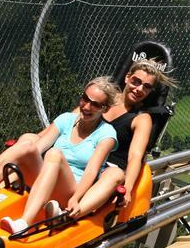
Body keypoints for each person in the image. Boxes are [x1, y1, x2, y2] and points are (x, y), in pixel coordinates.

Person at [0, 78, 120, 232]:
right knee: (28, 145)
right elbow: (36, 147)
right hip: (46, 178)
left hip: (70, 189)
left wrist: (76, 198)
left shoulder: (106, 134)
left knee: (54, 154)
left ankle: (24, 222)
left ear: (105, 109)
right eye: (84, 99)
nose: (86, 106)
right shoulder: (66, 119)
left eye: (95, 105)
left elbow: (91, 171)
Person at [63, 58, 174, 219]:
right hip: (83, 161)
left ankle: (69, 215)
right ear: (127, 77)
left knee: (113, 175)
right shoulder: (104, 101)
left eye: (146, 87)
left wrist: (127, 188)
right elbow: (71, 120)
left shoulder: (141, 119)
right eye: (136, 82)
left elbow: (136, 157)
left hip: (108, 170)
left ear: (150, 91)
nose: (139, 89)